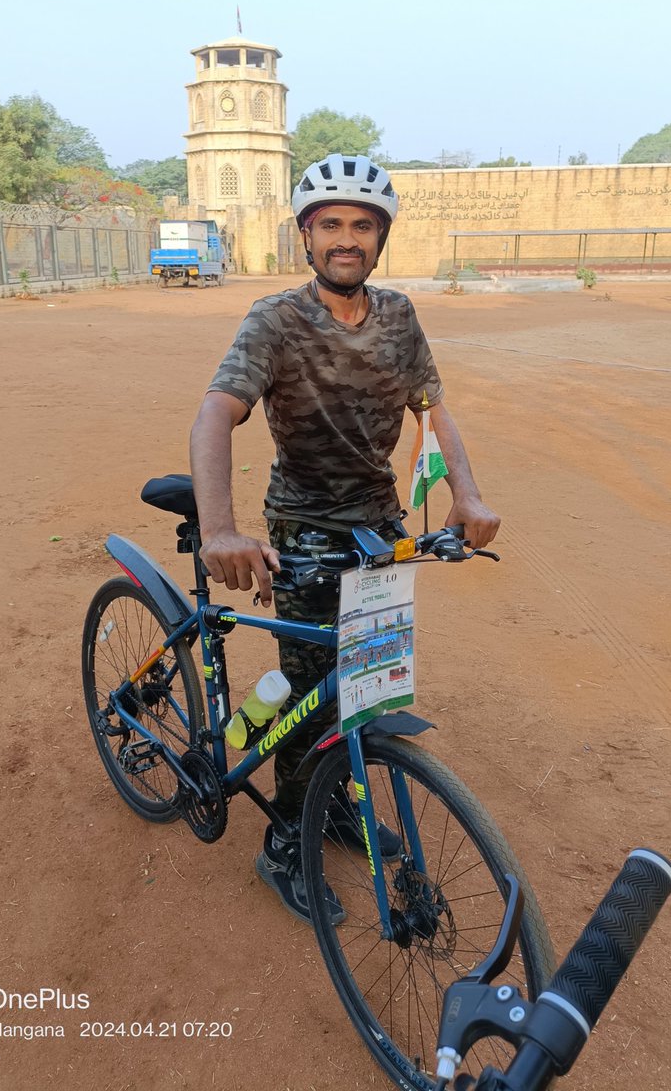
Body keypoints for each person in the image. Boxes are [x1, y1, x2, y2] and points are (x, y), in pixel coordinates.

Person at [189, 153, 500, 921]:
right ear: (306, 233)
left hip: (380, 530)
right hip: (306, 532)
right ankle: (285, 845)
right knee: (311, 695)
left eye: (363, 225)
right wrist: (223, 529)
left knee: (369, 681)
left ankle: (333, 804)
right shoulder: (276, 321)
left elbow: (432, 407)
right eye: (332, 224)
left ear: (381, 236)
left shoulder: (399, 317)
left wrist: (466, 491)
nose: (347, 239)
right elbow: (215, 413)